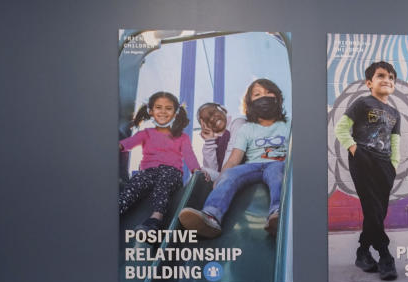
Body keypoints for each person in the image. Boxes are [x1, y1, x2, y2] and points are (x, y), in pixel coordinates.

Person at [180, 79, 289, 239]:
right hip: (253, 166)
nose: (263, 97)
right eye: (257, 94)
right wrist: (223, 175)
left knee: (276, 172)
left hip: (277, 163)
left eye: (268, 92)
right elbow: (234, 158)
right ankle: (211, 216)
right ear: (250, 103)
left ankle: (278, 213)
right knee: (232, 174)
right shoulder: (247, 128)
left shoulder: (287, 125)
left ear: (277, 98)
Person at [334, 61, 402, 281]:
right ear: (369, 82)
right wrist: (355, 149)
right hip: (362, 159)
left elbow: (395, 140)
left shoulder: (394, 112)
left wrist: (394, 164)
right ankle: (385, 255)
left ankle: (362, 252)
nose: (387, 80)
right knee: (372, 208)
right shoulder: (362, 103)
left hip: (385, 164)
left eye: (391, 77)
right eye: (381, 75)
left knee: (378, 211)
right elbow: (341, 128)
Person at [118, 91, 201, 233]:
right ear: (151, 111)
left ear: (175, 113)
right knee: (134, 185)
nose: (163, 111)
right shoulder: (146, 133)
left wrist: (197, 171)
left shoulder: (182, 137)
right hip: (148, 172)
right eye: (158, 107)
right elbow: (127, 143)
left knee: (164, 182)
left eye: (168, 108)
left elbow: (190, 156)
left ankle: (155, 219)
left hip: (171, 173)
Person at [195, 102, 247, 182]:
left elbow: (232, 155)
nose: (211, 119)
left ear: (222, 109)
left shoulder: (238, 122)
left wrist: (219, 177)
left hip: (242, 171)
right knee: (201, 172)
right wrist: (209, 141)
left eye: (212, 113)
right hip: (224, 177)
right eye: (207, 120)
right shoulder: (214, 141)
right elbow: (212, 171)